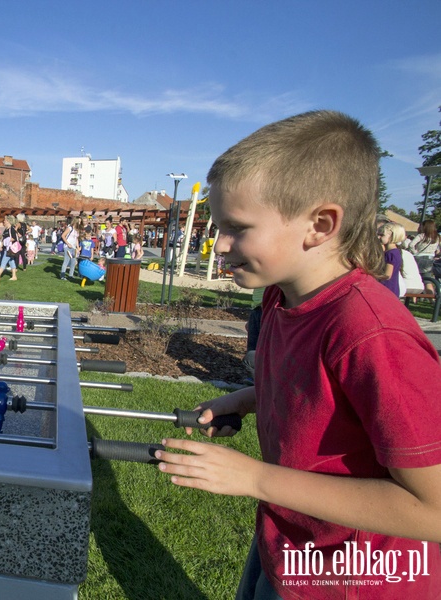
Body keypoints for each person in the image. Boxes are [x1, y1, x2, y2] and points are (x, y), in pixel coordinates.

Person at [155, 110, 441, 599]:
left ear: (321, 224)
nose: (219, 245)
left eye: (237, 228)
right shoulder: (280, 295)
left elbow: (432, 510)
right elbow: (312, 387)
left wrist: (257, 478)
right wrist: (246, 400)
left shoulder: (372, 334)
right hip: (291, 545)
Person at [404, 219, 441, 295]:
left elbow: (411, 244)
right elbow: (438, 249)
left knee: (414, 277)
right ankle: (432, 299)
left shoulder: (421, 236)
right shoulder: (437, 237)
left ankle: (413, 297)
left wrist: (415, 252)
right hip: (430, 259)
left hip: (419, 257)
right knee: (428, 280)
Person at [377, 221, 404, 297]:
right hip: (392, 288)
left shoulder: (391, 254)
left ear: (392, 236)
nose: (378, 237)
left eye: (382, 235)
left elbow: (387, 275)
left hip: (387, 289)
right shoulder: (395, 252)